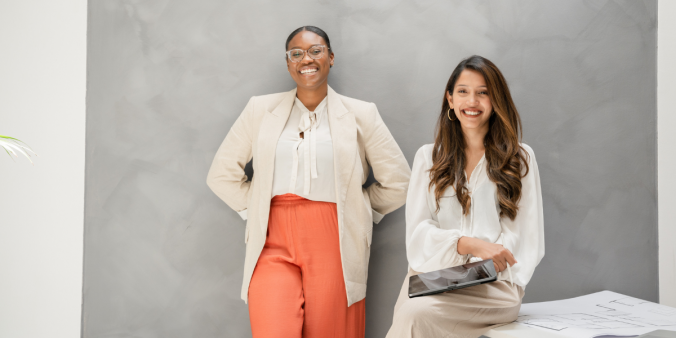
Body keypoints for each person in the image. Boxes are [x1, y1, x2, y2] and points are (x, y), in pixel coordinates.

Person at [206, 26, 411, 338]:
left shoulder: (361, 114)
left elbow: (399, 182)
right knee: (273, 328)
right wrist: (258, 207)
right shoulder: (260, 110)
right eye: (296, 53)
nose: (307, 59)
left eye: (316, 50)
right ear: (288, 62)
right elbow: (221, 175)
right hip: (270, 239)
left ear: (330, 57)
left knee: (331, 331)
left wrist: (357, 209)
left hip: (335, 237)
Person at [386, 55, 544, 338]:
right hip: (434, 278)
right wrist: (467, 244)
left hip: (494, 286)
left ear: (496, 100)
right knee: (413, 311)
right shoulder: (428, 158)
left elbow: (525, 237)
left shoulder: (520, 158)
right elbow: (418, 235)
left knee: (415, 315)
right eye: (463, 92)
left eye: (483, 93)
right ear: (450, 99)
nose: (472, 102)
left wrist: (485, 263)